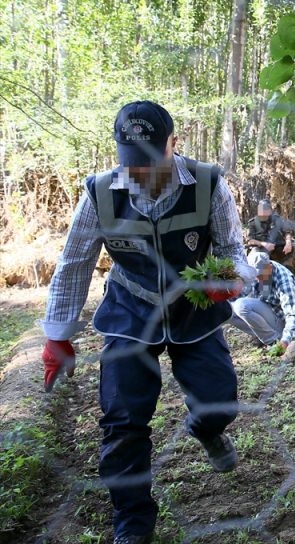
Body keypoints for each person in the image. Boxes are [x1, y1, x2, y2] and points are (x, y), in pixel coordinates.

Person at [39, 100, 251, 544]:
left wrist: (230, 280)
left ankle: (205, 428)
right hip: (130, 310)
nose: (142, 175)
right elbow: (74, 263)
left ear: (174, 143)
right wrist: (57, 336)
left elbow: (233, 250)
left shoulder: (209, 183)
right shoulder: (99, 193)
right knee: (123, 419)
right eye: (132, 164)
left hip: (194, 308)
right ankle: (132, 522)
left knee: (221, 400)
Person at [228, 251, 295, 353]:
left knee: (241, 305)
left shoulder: (284, 280)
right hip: (265, 311)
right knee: (226, 310)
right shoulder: (256, 276)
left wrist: (285, 341)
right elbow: (241, 294)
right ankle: (261, 336)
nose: (257, 279)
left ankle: (273, 341)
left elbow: (292, 314)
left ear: (269, 268)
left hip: (279, 321)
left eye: (260, 274)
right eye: (255, 275)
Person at [246, 199, 295, 269]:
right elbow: (250, 240)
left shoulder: (276, 219)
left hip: (279, 248)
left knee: (290, 253)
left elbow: (287, 232)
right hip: (261, 250)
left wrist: (288, 242)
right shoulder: (253, 222)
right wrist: (264, 244)